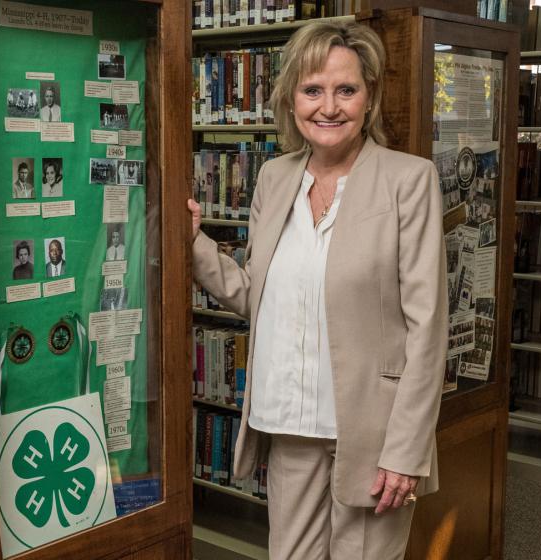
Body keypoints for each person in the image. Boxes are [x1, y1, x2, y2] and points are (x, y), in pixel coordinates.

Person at [187, 21, 446, 560]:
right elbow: (256, 294)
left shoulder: (409, 180)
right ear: (291, 98)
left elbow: (428, 328)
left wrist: (406, 450)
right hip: (291, 422)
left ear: (368, 96)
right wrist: (195, 245)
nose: (329, 107)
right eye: (313, 90)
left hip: (374, 431)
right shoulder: (275, 178)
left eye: (345, 90)